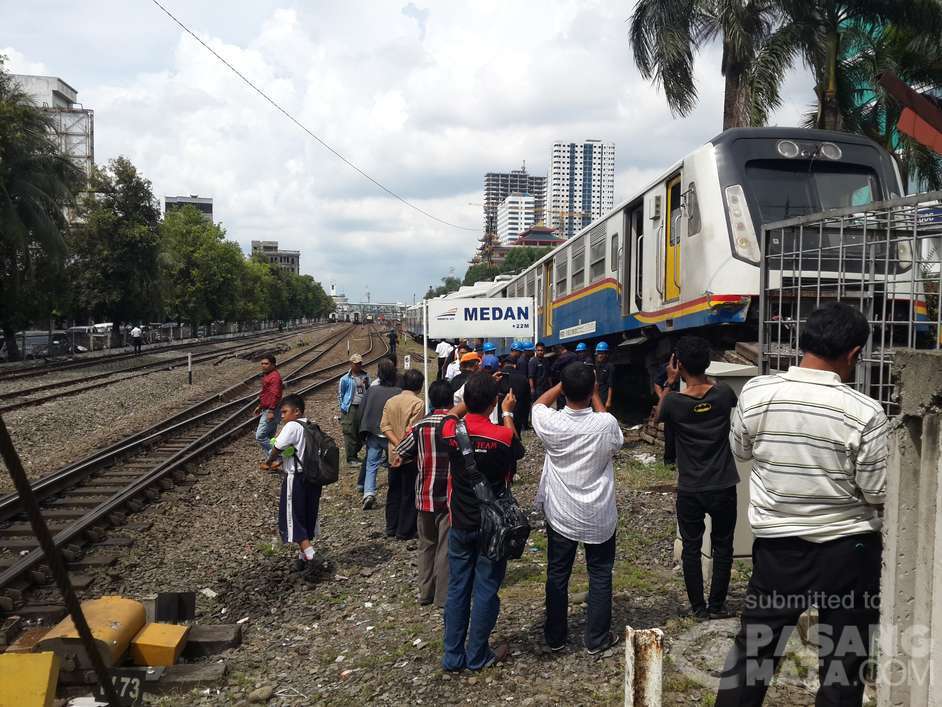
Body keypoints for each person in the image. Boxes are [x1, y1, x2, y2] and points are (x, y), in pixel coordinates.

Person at [715, 303, 888, 706]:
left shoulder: (758, 392)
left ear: (803, 341)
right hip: (849, 552)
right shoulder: (865, 412)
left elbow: (741, 450)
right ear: (854, 354)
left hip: (779, 549)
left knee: (754, 655)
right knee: (844, 663)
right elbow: (877, 492)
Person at [532, 365, 624, 654]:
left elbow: (538, 404)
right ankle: (596, 639)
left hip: (561, 513)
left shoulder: (551, 422)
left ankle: (555, 636)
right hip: (599, 513)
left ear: (564, 389)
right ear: (591, 390)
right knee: (600, 574)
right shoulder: (605, 424)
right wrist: (595, 393)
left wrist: (563, 384)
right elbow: (614, 435)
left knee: (558, 574)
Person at [441, 373, 524, 671]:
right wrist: (507, 412)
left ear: (465, 401)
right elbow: (518, 450)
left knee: (457, 587)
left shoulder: (450, 431)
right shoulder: (502, 437)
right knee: (487, 588)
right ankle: (477, 655)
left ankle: (452, 656)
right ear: (493, 402)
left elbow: (450, 415)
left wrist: (469, 400)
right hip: (493, 527)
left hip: (460, 522)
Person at [655, 336, 739, 621]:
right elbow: (716, 391)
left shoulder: (673, 403)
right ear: (708, 363)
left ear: (678, 364)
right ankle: (718, 605)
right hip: (724, 483)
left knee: (692, 547)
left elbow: (657, 417)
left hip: (691, 487)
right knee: (723, 544)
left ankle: (699, 608)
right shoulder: (724, 394)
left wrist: (669, 381)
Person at [395, 380, 453, 608]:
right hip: (448, 496)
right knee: (445, 547)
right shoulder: (455, 425)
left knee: (426, 544)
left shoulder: (420, 427)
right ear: (450, 401)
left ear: (430, 400)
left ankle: (425, 592)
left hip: (424, 494)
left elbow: (401, 451)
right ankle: (442, 597)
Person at [260, 394, 323, 573]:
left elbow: (277, 448)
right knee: (306, 515)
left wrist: (269, 461)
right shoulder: (310, 425)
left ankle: (311, 556)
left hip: (296, 478)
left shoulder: (292, 426)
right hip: (313, 478)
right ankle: (302, 558)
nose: (282, 416)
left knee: (292, 518)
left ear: (297, 412)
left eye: (285, 412)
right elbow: (297, 451)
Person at [380, 369, 426, 540]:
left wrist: (396, 445)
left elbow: (384, 426)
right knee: (409, 492)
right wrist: (404, 448)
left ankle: (390, 527)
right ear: (420, 386)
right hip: (410, 455)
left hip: (392, 452)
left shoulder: (390, 401)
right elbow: (412, 430)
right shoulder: (418, 404)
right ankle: (404, 530)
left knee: (393, 490)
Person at [358, 359, 401, 510]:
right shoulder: (398, 392)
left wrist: (361, 432)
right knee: (392, 464)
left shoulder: (372, 391)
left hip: (373, 433)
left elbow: (361, 411)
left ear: (379, 374)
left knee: (371, 464)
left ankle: (369, 493)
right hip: (392, 435)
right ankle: (394, 491)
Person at [338, 354, 370, 467]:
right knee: (350, 432)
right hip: (351, 407)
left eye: (360, 363)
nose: (359, 365)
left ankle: (355, 453)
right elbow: (341, 394)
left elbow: (369, 390)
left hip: (362, 407)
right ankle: (351, 457)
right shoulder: (345, 379)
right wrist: (343, 407)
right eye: (356, 364)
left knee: (361, 432)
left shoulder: (365, 376)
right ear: (351, 364)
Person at [254, 353, 284, 458]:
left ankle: (278, 457)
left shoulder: (274, 377)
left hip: (271, 410)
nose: (263, 365)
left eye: (266, 363)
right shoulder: (268, 376)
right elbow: (266, 394)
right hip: (268, 409)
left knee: (260, 436)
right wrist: (260, 406)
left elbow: (275, 395)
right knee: (269, 437)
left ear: (273, 365)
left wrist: (271, 410)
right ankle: (271, 461)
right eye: (262, 363)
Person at [499, 358, 532, 434]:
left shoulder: (498, 376)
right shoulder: (522, 377)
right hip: (518, 410)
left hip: (502, 411)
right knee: (516, 433)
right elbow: (527, 398)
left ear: (502, 365)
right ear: (514, 365)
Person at [550, 345, 577, 409]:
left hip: (563, 384)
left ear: (559, 350)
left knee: (561, 404)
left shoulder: (561, 358)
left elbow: (552, 369)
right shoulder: (574, 355)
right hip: (575, 382)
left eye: (556, 352)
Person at [594, 342, 615, 412]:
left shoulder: (610, 366)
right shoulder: (596, 365)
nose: (600, 355)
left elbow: (610, 385)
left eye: (602, 353)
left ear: (606, 354)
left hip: (604, 395)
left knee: (602, 414)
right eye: (599, 353)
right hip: (596, 394)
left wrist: (608, 401)